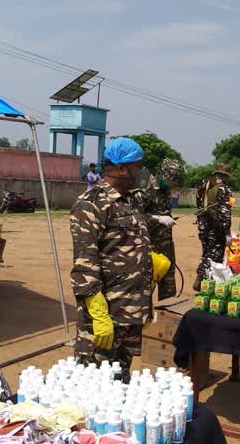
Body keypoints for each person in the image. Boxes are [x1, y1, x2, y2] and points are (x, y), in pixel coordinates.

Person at [70, 137, 153, 371]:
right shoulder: (91, 203)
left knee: (120, 381)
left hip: (131, 310)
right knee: (94, 384)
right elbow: (84, 263)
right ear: (121, 168)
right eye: (138, 166)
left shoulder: (133, 200)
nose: (142, 171)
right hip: (106, 314)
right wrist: (98, 313)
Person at [140, 158, 183, 300]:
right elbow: (136, 216)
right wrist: (158, 219)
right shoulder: (146, 188)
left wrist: (168, 218)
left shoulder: (165, 190)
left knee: (169, 277)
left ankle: (167, 310)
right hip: (149, 243)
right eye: (170, 182)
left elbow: (163, 211)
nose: (172, 186)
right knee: (147, 278)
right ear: (162, 175)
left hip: (166, 242)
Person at [194, 164, 233, 291]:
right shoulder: (226, 190)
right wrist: (227, 233)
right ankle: (207, 285)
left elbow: (199, 204)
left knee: (206, 254)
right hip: (216, 229)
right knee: (215, 257)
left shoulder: (204, 186)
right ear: (226, 176)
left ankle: (200, 278)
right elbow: (226, 213)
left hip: (203, 227)